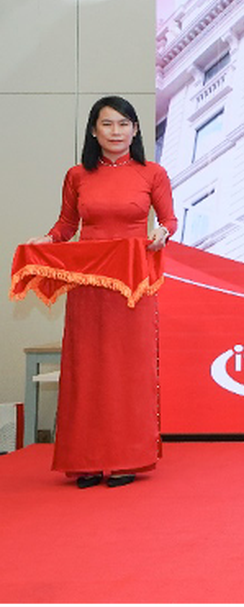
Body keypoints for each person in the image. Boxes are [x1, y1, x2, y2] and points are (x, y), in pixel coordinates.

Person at [26, 96, 176, 488]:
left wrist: (162, 233)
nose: (116, 131)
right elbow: (65, 225)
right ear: (94, 130)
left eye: (124, 124)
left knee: (128, 370)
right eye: (107, 124)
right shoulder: (77, 175)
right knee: (86, 369)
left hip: (132, 285)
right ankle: (87, 460)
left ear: (135, 130)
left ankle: (128, 458)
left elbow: (169, 220)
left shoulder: (153, 173)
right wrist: (46, 240)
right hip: (88, 284)